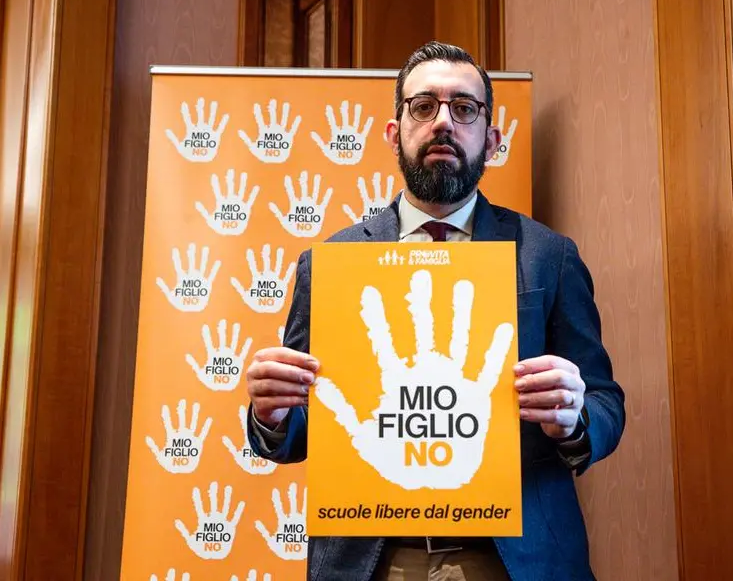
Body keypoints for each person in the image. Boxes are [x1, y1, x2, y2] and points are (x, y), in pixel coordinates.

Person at [245, 41, 625, 581]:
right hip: (373, 559)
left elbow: (606, 404)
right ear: (393, 133)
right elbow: (307, 426)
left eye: (464, 108)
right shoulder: (331, 263)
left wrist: (574, 417)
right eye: (423, 106)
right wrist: (272, 414)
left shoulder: (549, 256)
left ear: (491, 139)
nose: (442, 122)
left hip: (514, 559)